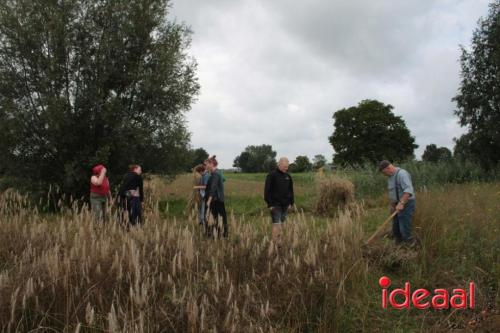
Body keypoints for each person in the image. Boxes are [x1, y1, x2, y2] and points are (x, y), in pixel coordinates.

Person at [379, 160, 416, 245]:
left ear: (389, 168)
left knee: (404, 226)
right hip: (396, 204)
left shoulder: (402, 174)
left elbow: (408, 190)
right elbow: (393, 192)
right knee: (396, 226)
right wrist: (393, 205)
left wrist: (401, 203)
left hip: (406, 203)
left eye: (385, 173)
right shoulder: (390, 177)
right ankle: (398, 244)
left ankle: (409, 245)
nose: (385, 175)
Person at [264, 157, 294, 244]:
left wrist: (291, 203)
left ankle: (280, 241)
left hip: (285, 204)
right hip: (275, 205)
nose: (286, 168)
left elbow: (291, 190)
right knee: (276, 224)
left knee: (282, 224)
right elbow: (267, 191)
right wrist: (270, 204)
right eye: (284, 166)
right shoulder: (271, 175)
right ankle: (274, 243)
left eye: (287, 166)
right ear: (279, 164)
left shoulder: (288, 176)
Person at [205, 156, 228, 238]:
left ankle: (218, 236)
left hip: (216, 200)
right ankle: (217, 235)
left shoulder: (216, 174)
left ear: (211, 164)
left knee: (218, 218)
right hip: (216, 200)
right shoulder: (214, 173)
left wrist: (209, 200)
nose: (206, 166)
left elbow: (213, 187)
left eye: (207, 164)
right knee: (217, 218)